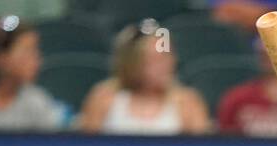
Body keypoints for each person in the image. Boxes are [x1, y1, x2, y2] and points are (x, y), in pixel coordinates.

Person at [79, 20, 210, 135]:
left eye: (168, 57)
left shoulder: (187, 103)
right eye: (156, 60)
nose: (166, 66)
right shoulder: (103, 98)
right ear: (133, 63)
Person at [0, 16, 63, 131]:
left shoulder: (39, 104)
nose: (37, 60)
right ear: (1, 58)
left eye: (36, 51)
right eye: (28, 51)